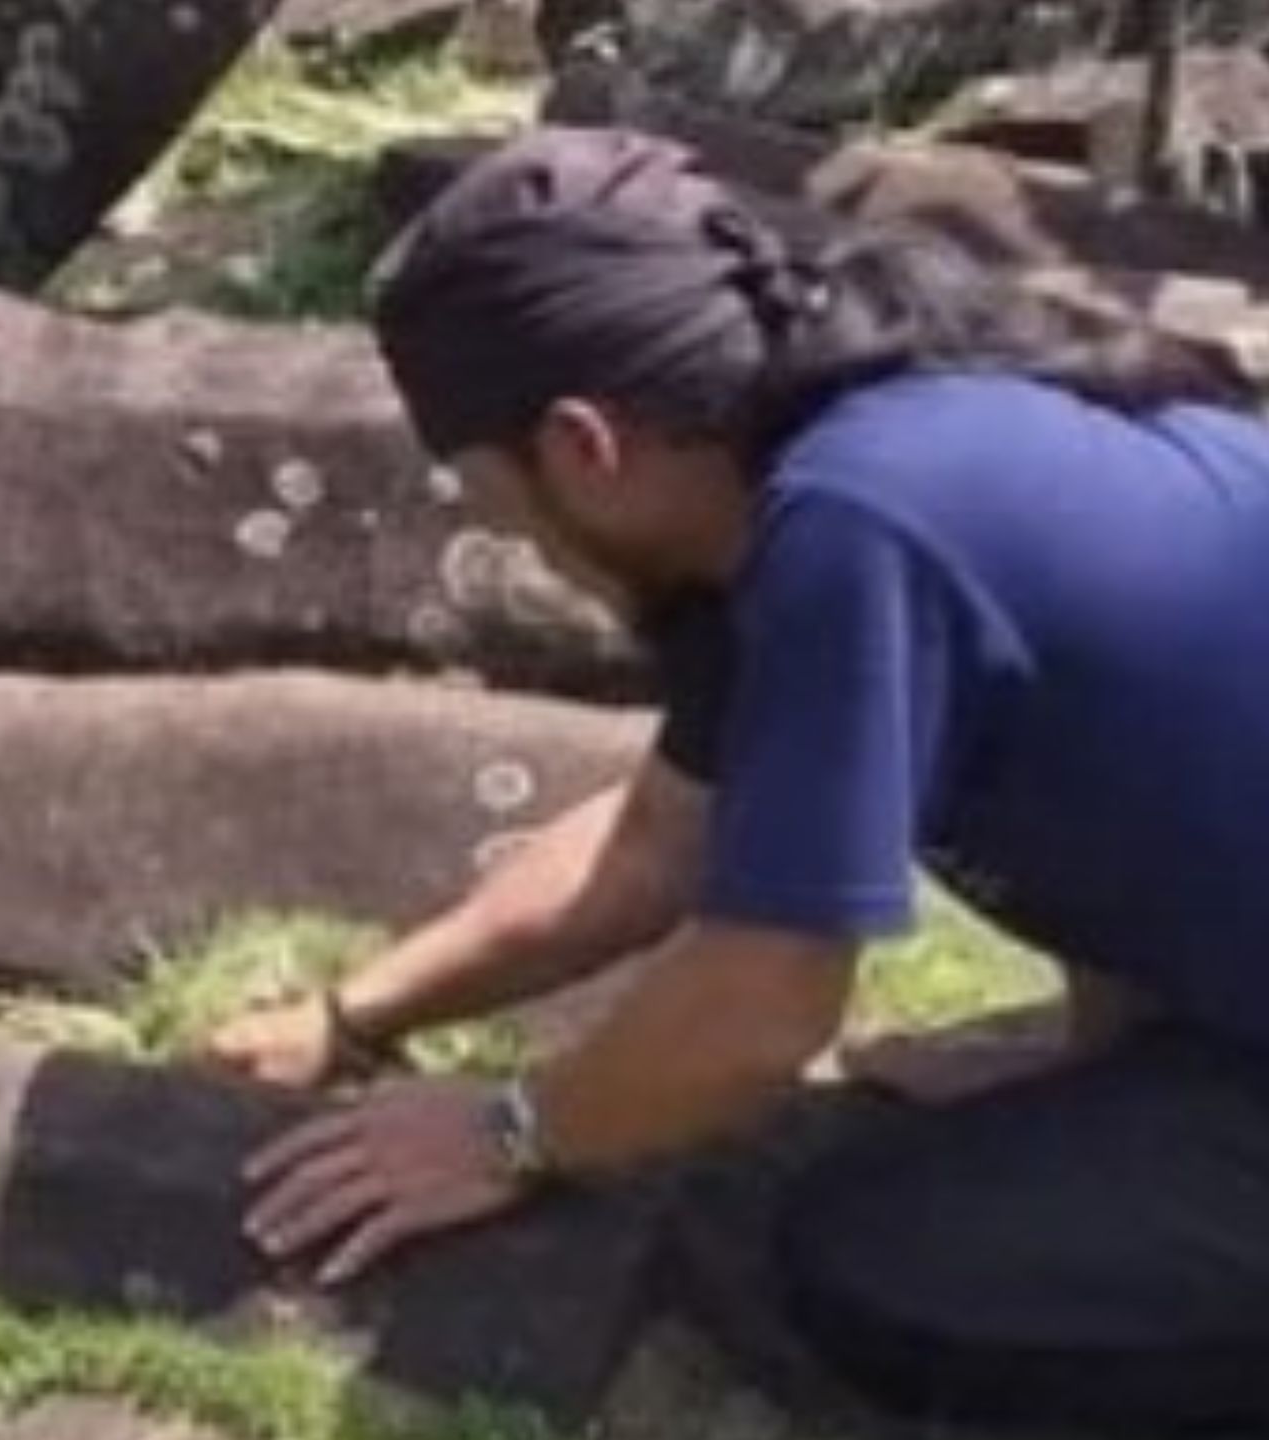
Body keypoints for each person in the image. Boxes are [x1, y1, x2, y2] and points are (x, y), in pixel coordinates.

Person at [205, 125, 1269, 1436]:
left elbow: (762, 1014)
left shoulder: (864, 518)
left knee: (893, 1266)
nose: (530, 551)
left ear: (586, 445)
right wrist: (354, 1017)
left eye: (505, 506)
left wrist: (510, 1133)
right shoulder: (842, 460)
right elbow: (658, 843)